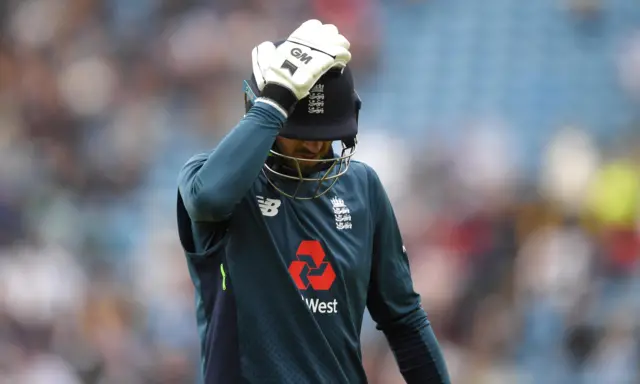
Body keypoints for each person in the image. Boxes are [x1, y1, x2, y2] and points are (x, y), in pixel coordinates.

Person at [176, 20, 451, 384]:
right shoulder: (213, 180)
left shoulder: (362, 187)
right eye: (299, 133)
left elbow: (404, 320)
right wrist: (278, 99)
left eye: (326, 135)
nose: (314, 146)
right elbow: (208, 198)